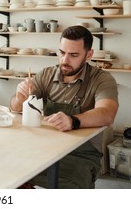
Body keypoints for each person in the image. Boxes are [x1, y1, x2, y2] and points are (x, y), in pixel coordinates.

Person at [10, 25, 118, 189]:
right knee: (10, 175)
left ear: (89, 55)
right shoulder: (46, 74)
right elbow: (14, 107)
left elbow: (107, 113)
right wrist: (20, 99)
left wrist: (73, 121)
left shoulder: (101, 79)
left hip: (81, 155)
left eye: (73, 55)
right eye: (62, 52)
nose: (65, 60)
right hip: (44, 148)